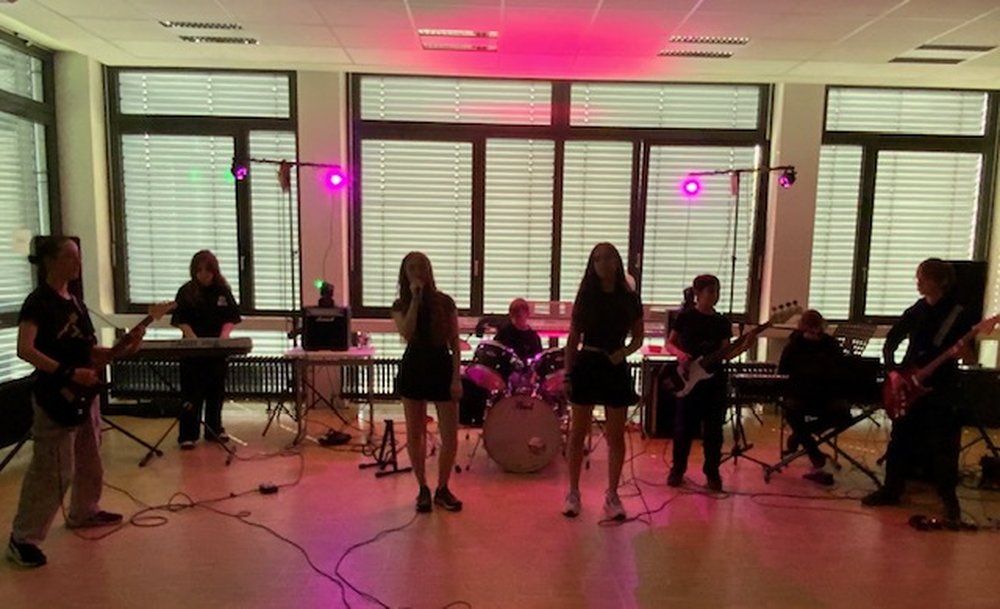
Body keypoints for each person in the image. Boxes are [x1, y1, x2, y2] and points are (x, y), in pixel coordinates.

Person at [7, 237, 144, 568]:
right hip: (56, 395)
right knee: (53, 470)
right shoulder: (38, 302)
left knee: (89, 458)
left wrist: (123, 349)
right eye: (69, 257)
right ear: (50, 261)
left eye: (78, 257)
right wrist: (67, 373)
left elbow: (88, 351)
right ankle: (23, 538)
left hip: (85, 393)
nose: (77, 263)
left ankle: (84, 511)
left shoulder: (77, 304)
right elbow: (25, 349)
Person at [861, 258, 975, 523]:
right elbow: (891, 342)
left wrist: (962, 353)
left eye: (923, 278)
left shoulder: (958, 313)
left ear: (941, 282)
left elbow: (970, 356)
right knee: (900, 438)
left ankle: (949, 499)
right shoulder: (917, 310)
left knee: (944, 444)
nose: (918, 282)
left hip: (942, 386)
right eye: (918, 277)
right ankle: (891, 490)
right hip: (909, 382)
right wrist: (893, 372)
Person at [562, 242, 644, 520]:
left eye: (608, 257)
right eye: (597, 259)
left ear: (617, 261)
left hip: (615, 364)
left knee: (616, 435)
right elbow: (573, 338)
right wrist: (567, 373)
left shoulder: (629, 298)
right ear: (592, 265)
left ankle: (612, 494)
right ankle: (573, 492)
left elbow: (639, 337)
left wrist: (623, 353)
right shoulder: (586, 296)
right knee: (578, 433)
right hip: (588, 362)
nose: (603, 263)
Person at [665, 275, 753, 492]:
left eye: (717, 291)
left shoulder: (722, 322)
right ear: (698, 293)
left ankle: (712, 472)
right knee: (683, 428)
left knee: (714, 430)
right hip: (689, 377)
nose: (715, 296)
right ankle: (678, 469)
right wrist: (681, 355)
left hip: (714, 381)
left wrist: (744, 346)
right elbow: (670, 343)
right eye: (711, 291)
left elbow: (726, 353)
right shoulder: (685, 317)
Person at [391, 252, 463, 513]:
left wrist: (456, 378)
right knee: (415, 431)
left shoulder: (445, 302)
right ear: (405, 273)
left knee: (449, 433)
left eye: (421, 267)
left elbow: (455, 342)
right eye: (412, 268)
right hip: (414, 364)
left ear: (429, 270)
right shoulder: (400, 304)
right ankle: (422, 487)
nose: (418, 272)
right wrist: (415, 300)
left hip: (441, 363)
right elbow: (407, 332)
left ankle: (443, 488)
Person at [171, 250, 241, 449]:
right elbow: (181, 320)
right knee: (191, 394)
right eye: (199, 270)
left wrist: (224, 336)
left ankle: (214, 429)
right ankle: (188, 434)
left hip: (216, 350)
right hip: (192, 351)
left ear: (214, 271)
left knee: (215, 392)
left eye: (207, 271)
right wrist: (193, 339)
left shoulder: (222, 290)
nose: (204, 275)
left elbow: (231, 317)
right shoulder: (186, 291)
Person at [778, 309, 850, 486]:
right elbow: (783, 371)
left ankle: (799, 435)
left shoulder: (830, 344)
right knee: (792, 412)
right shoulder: (794, 344)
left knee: (845, 416)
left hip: (826, 394)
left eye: (815, 327)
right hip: (800, 394)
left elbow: (842, 369)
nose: (812, 331)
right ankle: (814, 454)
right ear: (803, 327)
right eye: (809, 327)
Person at [494, 298, 543, 362]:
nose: (515, 319)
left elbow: (538, 360)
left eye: (518, 316)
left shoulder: (533, 338)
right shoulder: (504, 333)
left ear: (527, 314)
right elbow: (495, 352)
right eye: (513, 316)